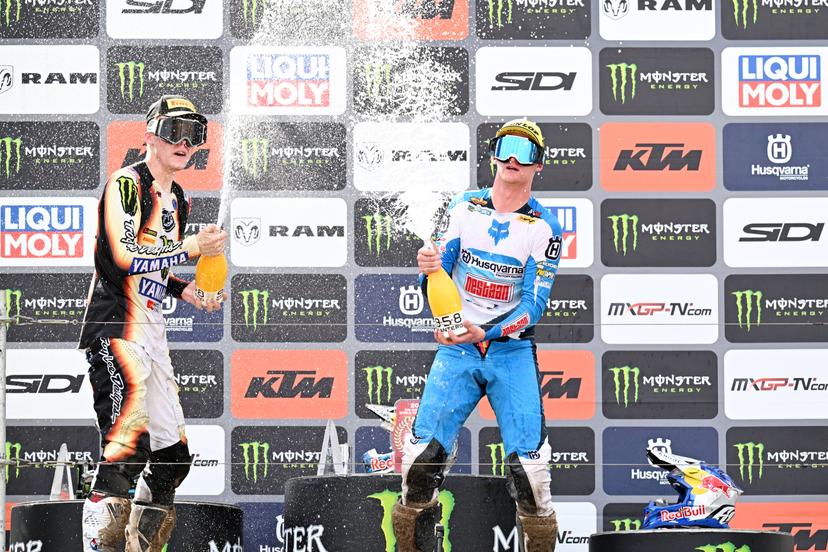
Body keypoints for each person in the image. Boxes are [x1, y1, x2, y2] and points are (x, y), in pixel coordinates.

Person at [393, 119, 563, 552]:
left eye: (525, 152)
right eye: (505, 147)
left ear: (538, 165)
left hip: (510, 350)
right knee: (419, 464)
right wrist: (427, 270)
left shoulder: (544, 227)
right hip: (459, 353)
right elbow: (438, 274)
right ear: (491, 155)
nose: (512, 158)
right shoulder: (464, 206)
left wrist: (483, 331)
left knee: (532, 475)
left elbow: (533, 306)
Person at [78, 94, 227, 552]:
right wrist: (190, 249)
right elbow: (122, 258)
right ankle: (100, 544)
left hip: (153, 331)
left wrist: (187, 290)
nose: (184, 142)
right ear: (149, 136)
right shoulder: (127, 184)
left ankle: (139, 545)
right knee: (127, 444)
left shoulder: (177, 196)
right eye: (173, 131)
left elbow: (154, 267)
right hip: (116, 327)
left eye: (194, 134)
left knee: (172, 459)